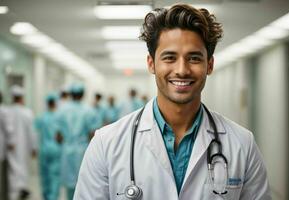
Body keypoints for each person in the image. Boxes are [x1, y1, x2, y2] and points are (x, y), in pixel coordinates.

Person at [74, 4, 271, 200]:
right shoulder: (106, 144)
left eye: (194, 58)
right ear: (151, 64)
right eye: (169, 57)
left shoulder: (242, 145)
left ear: (209, 65)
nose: (182, 70)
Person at [56, 83, 96, 200]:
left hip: (67, 150)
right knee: (84, 183)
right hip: (83, 150)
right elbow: (92, 133)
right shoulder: (88, 110)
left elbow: (58, 136)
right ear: (83, 95)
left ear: (71, 95)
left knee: (69, 184)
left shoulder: (62, 110)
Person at [6, 85, 37, 200]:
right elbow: (32, 132)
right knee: (23, 167)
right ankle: (21, 189)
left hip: (11, 146)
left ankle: (15, 191)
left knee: (13, 168)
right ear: (22, 98)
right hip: (25, 146)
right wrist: (34, 147)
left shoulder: (7, 111)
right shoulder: (27, 112)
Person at [34, 93, 62, 200]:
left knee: (44, 175)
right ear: (55, 103)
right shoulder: (59, 117)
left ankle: (46, 196)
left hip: (44, 149)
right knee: (54, 176)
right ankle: (53, 197)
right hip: (55, 149)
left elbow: (36, 132)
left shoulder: (42, 117)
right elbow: (61, 136)